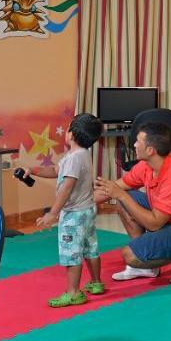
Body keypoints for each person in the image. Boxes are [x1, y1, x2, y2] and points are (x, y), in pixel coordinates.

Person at [93, 122, 171, 284]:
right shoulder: (145, 166)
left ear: (150, 150)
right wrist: (75, 206)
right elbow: (116, 187)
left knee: (130, 255)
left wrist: (121, 195)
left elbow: (154, 224)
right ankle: (146, 265)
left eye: (138, 141)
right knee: (127, 198)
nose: (134, 145)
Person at [27, 113, 105, 308]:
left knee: (71, 253)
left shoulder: (73, 159)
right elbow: (55, 172)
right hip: (87, 210)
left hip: (74, 215)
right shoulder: (81, 154)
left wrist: (53, 213)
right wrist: (34, 170)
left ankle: (73, 293)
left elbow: (67, 187)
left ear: (72, 134)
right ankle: (96, 283)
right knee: (90, 248)